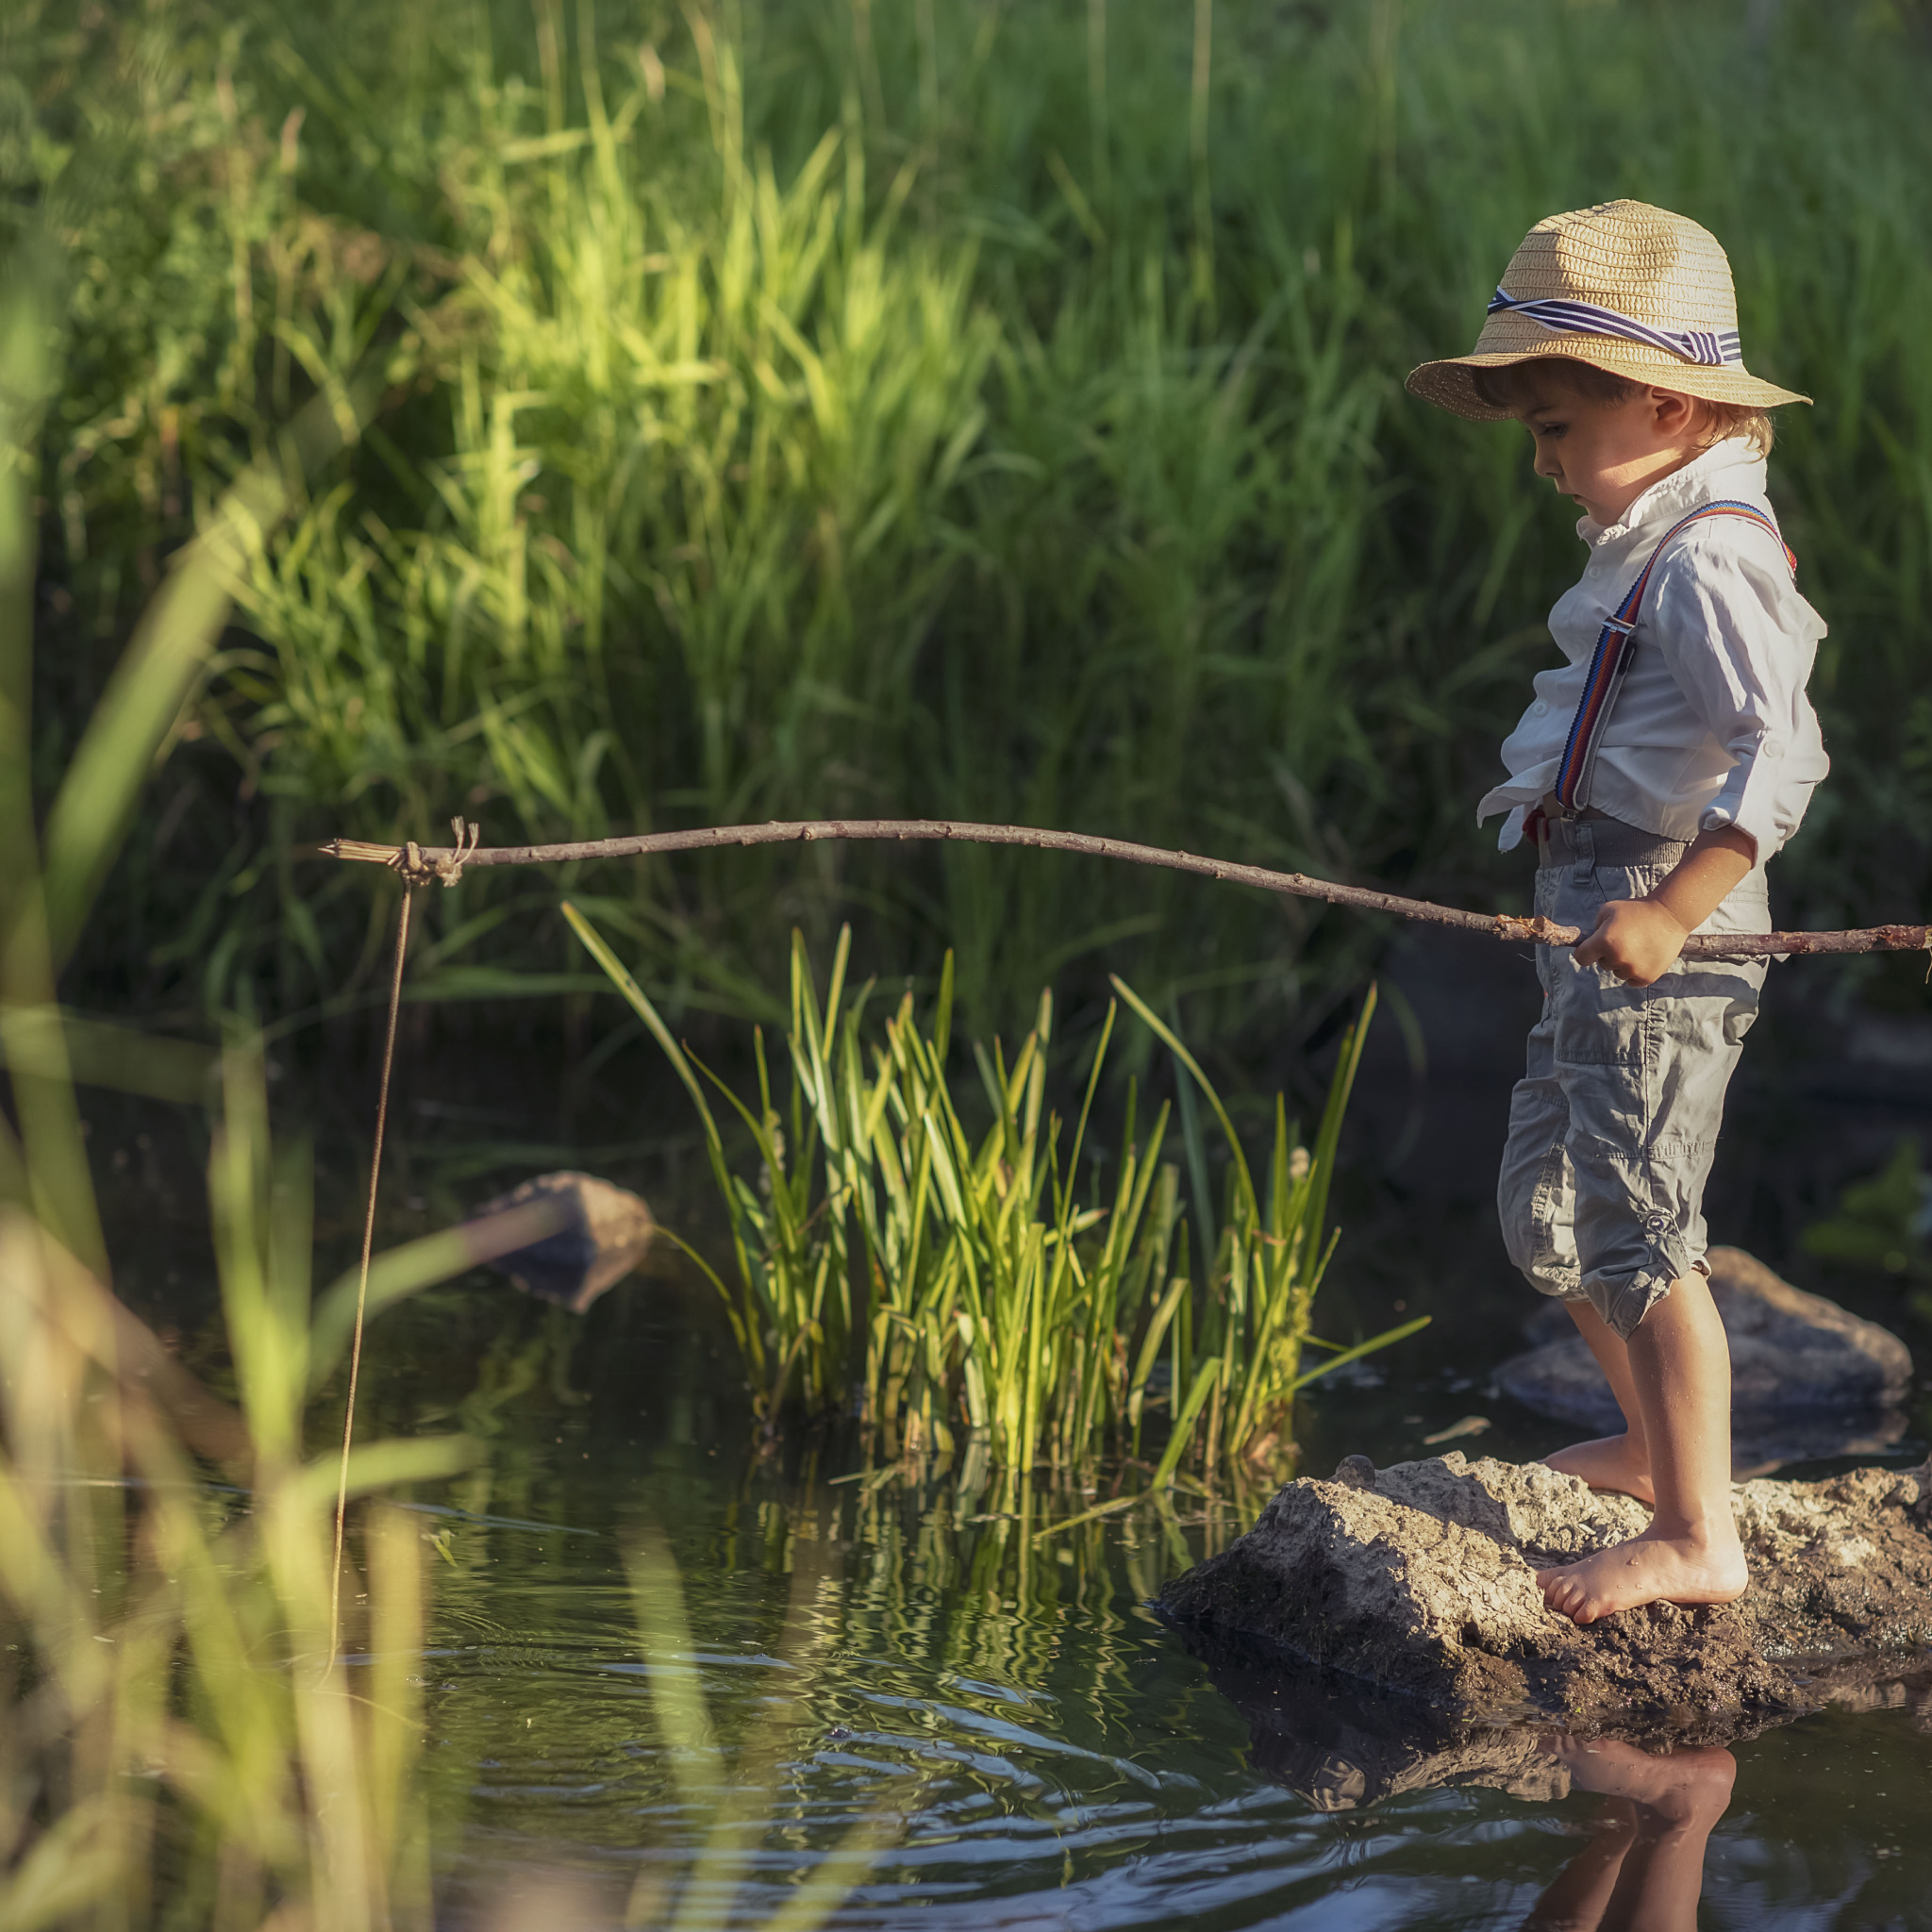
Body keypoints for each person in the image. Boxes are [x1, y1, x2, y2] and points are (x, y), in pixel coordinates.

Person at [1407, 201, 1828, 1624]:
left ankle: (1702, 1535)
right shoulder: (1648, 538)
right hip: (1594, 900)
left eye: (1556, 428)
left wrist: (1676, 909)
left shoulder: (1712, 557)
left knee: (1646, 1224)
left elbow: (1785, 753)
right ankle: (1656, 1448)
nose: (1538, 462)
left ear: (1661, 402)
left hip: (1666, 911)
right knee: (1551, 1213)